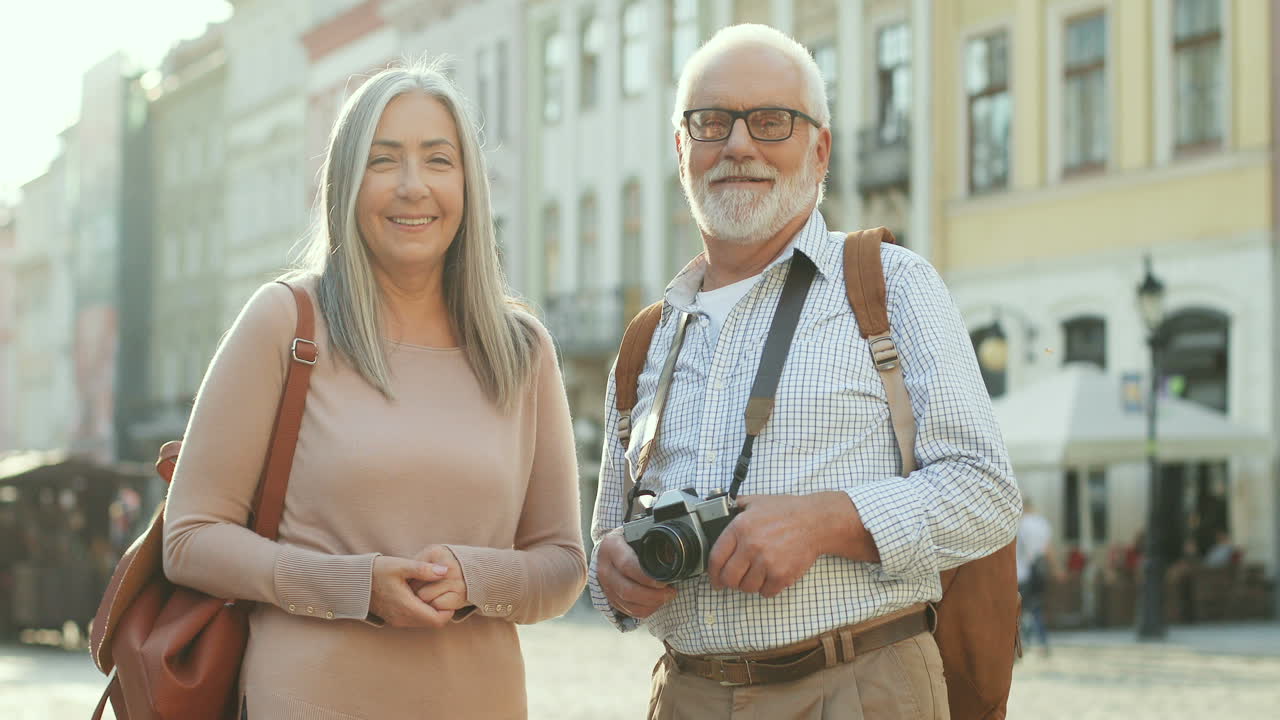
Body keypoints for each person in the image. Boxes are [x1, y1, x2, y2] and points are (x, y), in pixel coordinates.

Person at [588, 24, 1021, 719]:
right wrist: (613, 569)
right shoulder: (648, 338)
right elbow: (604, 539)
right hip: (687, 694)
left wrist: (827, 521)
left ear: (819, 150)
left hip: (861, 685)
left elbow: (987, 493)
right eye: (710, 123)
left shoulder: (892, 285)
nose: (737, 144)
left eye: (771, 122)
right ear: (681, 151)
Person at [162, 61, 586, 719]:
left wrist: (475, 578)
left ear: (469, 184)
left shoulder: (523, 350)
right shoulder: (285, 322)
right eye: (383, 161)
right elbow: (189, 538)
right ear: (345, 184)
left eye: (438, 160)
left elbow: (562, 565)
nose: (413, 187)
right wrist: (353, 586)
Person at [1015, 498, 1060, 656]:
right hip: (1039, 572)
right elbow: (1048, 549)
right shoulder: (1042, 523)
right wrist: (1056, 569)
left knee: (1019, 610)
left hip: (1021, 573)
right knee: (1036, 608)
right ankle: (1043, 642)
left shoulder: (1020, 525)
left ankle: (1021, 644)